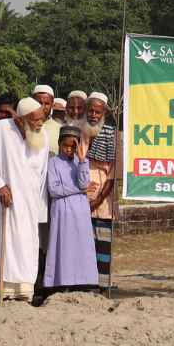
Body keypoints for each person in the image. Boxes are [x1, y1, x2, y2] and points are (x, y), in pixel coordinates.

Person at [0, 97, 51, 301]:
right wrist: (0, 185)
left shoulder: (43, 135)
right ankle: (5, 289)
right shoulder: (1, 129)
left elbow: (41, 174)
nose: (40, 124)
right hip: (7, 200)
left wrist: (40, 208)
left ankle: (25, 289)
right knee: (6, 242)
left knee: (28, 243)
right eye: (35, 120)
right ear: (22, 119)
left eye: (42, 119)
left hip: (31, 203)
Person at [42, 125, 99, 295]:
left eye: (73, 146)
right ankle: (61, 281)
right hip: (62, 212)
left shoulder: (80, 162)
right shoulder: (52, 162)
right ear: (59, 144)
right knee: (63, 246)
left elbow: (83, 183)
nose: (69, 149)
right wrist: (80, 190)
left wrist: (82, 160)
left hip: (80, 211)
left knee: (82, 246)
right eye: (66, 146)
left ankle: (83, 281)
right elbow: (54, 190)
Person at [82, 93, 117, 288]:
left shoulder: (111, 134)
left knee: (102, 245)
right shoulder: (80, 132)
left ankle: (103, 285)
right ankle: (85, 284)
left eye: (98, 111)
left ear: (104, 113)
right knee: (83, 245)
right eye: (91, 111)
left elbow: (113, 174)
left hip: (103, 201)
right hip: (80, 197)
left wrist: (98, 200)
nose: (94, 115)